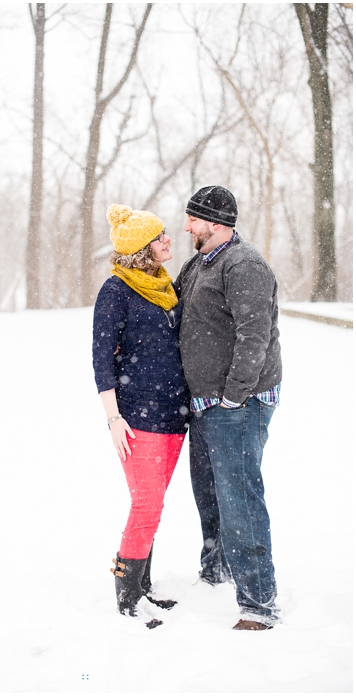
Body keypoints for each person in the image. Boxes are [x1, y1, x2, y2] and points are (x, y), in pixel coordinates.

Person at [173, 185, 282, 631]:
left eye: (193, 220)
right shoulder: (200, 263)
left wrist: (234, 396)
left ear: (215, 224)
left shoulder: (245, 266)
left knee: (239, 497)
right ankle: (215, 569)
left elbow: (253, 337)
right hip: (205, 403)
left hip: (238, 403)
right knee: (209, 491)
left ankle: (258, 603)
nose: (186, 227)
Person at [93, 203, 190, 628]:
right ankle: (128, 597)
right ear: (141, 248)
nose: (168, 239)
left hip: (173, 415)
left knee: (155, 505)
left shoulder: (165, 286)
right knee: (146, 504)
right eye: (160, 236)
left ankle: (143, 585)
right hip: (137, 417)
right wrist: (114, 419)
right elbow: (101, 361)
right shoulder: (116, 291)